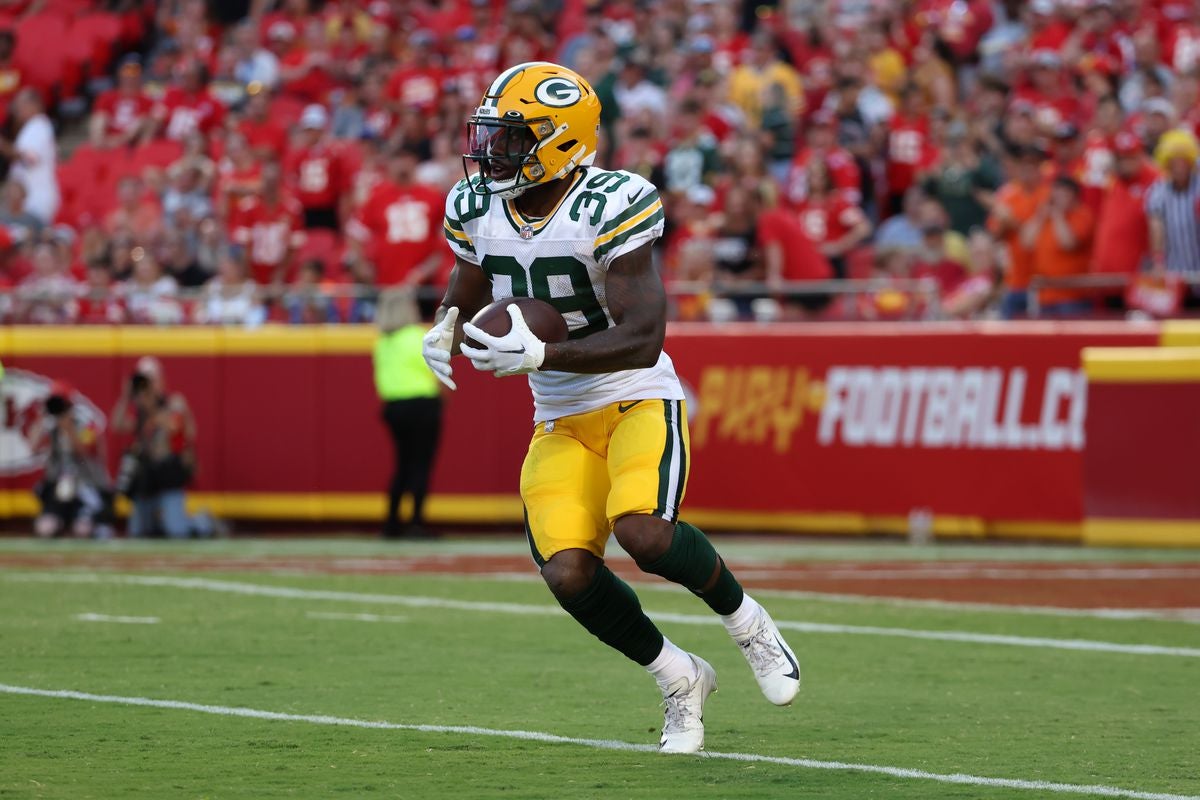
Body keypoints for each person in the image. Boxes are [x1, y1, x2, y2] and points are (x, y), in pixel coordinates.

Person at [423, 62, 800, 755]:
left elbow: (641, 336)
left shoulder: (611, 202)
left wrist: (541, 357)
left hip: (634, 397)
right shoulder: (475, 205)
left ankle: (750, 625)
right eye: (492, 137)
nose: (491, 153)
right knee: (567, 571)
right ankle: (678, 677)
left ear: (563, 142)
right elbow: (474, 269)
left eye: (512, 139)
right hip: (558, 415)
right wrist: (447, 319)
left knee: (646, 534)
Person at [374, 290, 443, 539]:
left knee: (402, 465)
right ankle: (416, 522)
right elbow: (436, 368)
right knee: (420, 465)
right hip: (422, 404)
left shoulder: (383, 342)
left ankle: (391, 523)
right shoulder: (416, 336)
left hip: (393, 407)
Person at [111, 357, 199, 539]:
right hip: (147, 479)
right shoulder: (140, 411)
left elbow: (174, 428)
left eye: (150, 381)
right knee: (137, 531)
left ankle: (203, 521)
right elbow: (117, 425)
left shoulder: (174, 402)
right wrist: (126, 397)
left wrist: (150, 405)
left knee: (177, 531)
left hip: (168, 476)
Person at [32, 382, 114, 539]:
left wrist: (68, 427)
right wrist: (43, 417)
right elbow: (32, 447)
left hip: (85, 487)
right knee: (45, 528)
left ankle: (97, 525)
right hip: (59, 488)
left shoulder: (86, 425)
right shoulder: (51, 426)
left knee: (82, 529)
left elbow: (83, 452)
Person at [1022, 175, 1096, 316]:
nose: (1057, 198)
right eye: (1055, 193)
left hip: (1072, 297)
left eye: (1063, 193)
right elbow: (1026, 242)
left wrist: (1058, 215)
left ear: (1074, 196)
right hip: (1045, 295)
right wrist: (1039, 217)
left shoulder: (1083, 215)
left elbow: (1068, 243)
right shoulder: (1045, 218)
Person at [1145, 129, 1200, 289]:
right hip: (1174, 271)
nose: (1179, 168)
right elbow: (1156, 228)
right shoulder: (1158, 191)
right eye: (1174, 162)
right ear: (1166, 164)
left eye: (1183, 161)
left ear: (1190, 162)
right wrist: (1158, 261)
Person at [0, 88, 59, 225]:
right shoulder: (31, 128)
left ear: (35, 105)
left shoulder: (40, 125)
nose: (17, 110)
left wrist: (3, 145)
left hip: (37, 198)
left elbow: (30, 158)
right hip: (26, 198)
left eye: (21, 105)